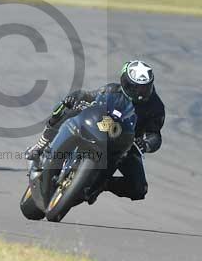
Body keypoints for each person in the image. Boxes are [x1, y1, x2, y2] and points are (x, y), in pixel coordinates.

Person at [25, 60, 165, 202]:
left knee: (139, 189)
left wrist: (146, 144)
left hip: (127, 144)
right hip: (100, 127)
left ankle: (102, 184)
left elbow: (155, 135)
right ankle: (41, 145)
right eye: (134, 87)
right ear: (124, 82)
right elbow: (89, 96)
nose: (139, 93)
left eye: (143, 88)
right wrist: (76, 97)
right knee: (65, 109)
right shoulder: (112, 90)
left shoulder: (156, 107)